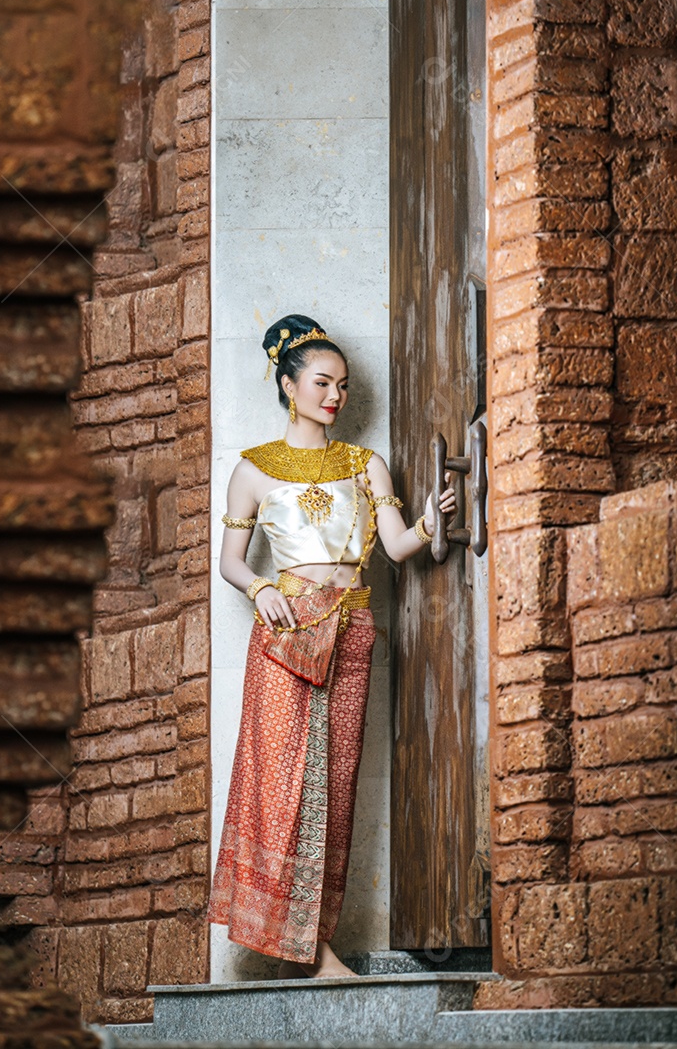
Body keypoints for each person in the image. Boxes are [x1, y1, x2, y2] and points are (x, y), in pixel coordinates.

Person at [207, 314, 456, 980]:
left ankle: (307, 946)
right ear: (289, 386)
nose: (335, 397)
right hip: (286, 633)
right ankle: (304, 953)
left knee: (335, 788)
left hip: (351, 629)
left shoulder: (363, 463)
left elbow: (399, 548)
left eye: (343, 386)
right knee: (283, 783)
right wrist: (260, 588)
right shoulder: (254, 469)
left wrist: (434, 518)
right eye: (322, 382)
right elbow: (232, 562)